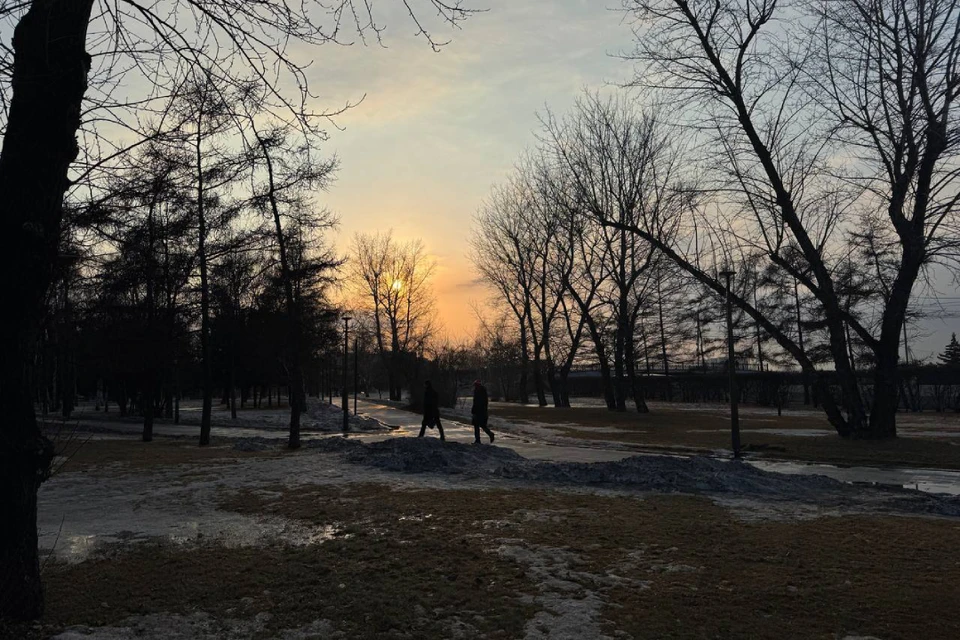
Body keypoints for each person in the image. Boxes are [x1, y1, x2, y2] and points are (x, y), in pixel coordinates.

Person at [471, 380, 495, 444]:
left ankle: (487, 435)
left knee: (480, 425)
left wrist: (474, 411)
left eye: (476, 385)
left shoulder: (480, 392)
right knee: (479, 426)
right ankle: (479, 439)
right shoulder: (480, 391)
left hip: (480, 412)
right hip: (481, 412)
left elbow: (478, 403)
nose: (475, 387)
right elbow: (476, 403)